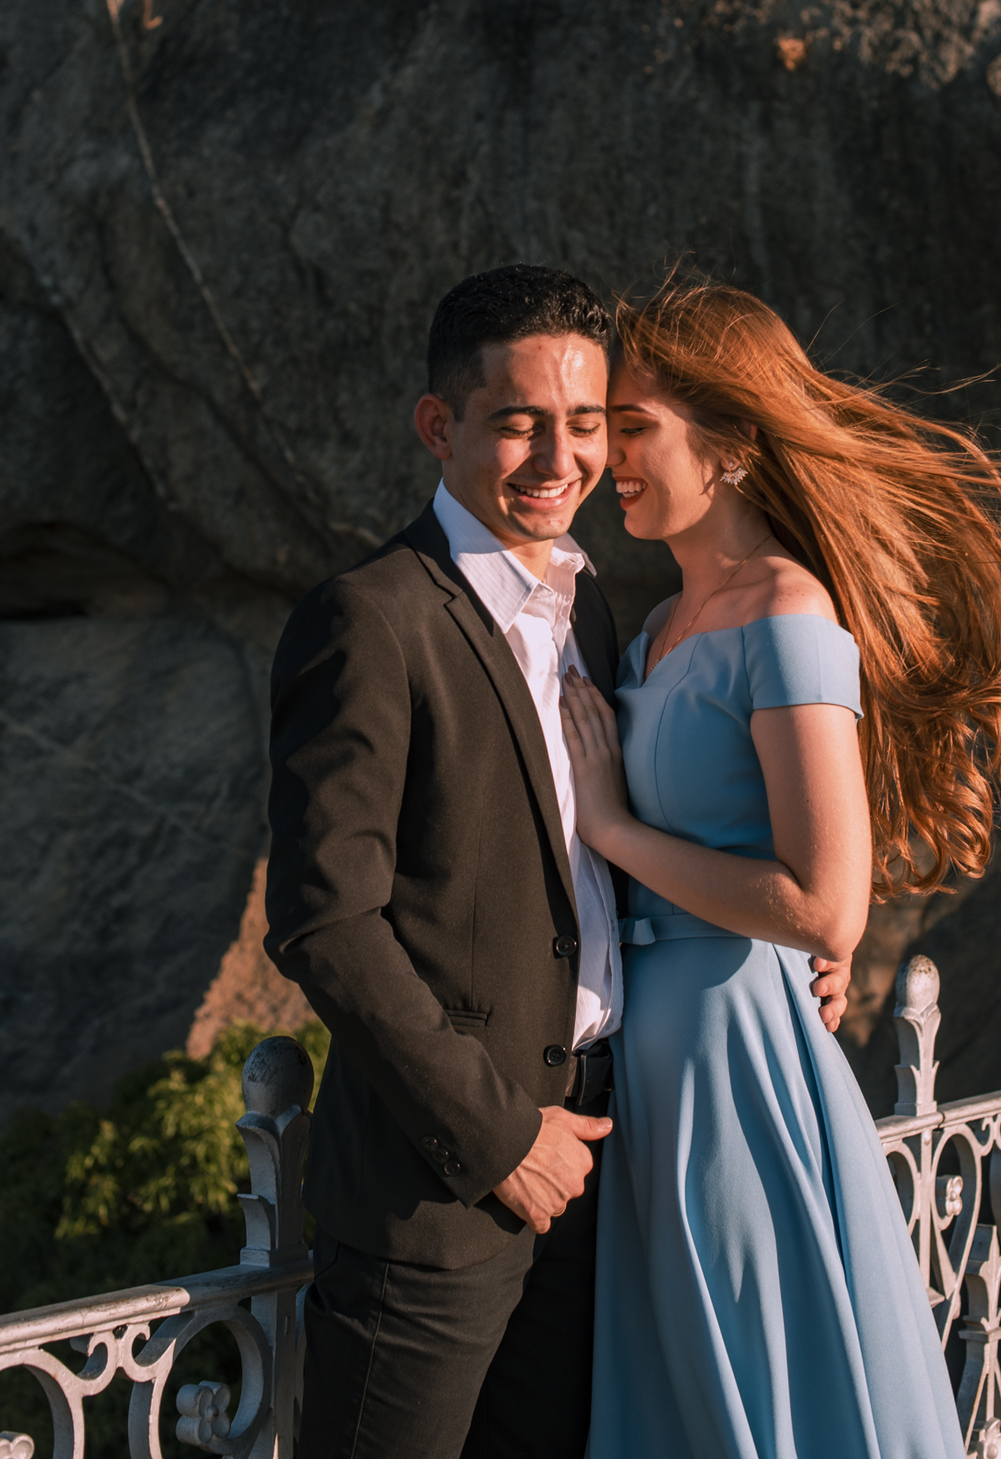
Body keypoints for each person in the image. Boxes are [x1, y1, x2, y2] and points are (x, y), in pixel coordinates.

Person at [560, 278, 1001, 1459]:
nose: (608, 456)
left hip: (735, 1066)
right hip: (659, 1064)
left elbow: (823, 900)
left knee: (759, 1402)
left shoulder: (790, 617)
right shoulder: (651, 632)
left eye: (632, 426)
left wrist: (615, 829)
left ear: (731, 442)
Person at [264, 264, 853, 1459]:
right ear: (441, 425)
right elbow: (326, 920)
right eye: (520, 421)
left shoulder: (594, 616)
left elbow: (594, 866)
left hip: (609, 1166)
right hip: (443, 1190)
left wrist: (804, 943)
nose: (561, 457)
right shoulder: (371, 616)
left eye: (587, 423)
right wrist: (498, 1137)